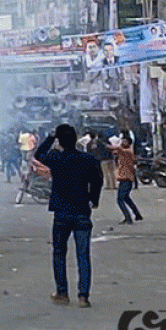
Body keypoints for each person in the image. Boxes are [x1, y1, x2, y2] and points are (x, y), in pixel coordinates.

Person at [35, 124, 104, 308]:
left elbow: (38, 155)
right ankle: (83, 296)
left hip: (61, 212)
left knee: (59, 252)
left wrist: (50, 138)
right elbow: (98, 179)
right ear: (76, 139)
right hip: (81, 210)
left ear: (60, 141)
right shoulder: (87, 159)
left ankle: (62, 292)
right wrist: (94, 199)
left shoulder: (55, 158)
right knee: (83, 254)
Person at [115, 137, 143, 224]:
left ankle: (128, 218)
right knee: (126, 198)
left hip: (126, 179)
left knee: (120, 199)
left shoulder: (126, 152)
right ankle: (137, 214)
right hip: (126, 178)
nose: (123, 142)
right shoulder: (126, 152)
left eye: (125, 141)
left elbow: (116, 149)